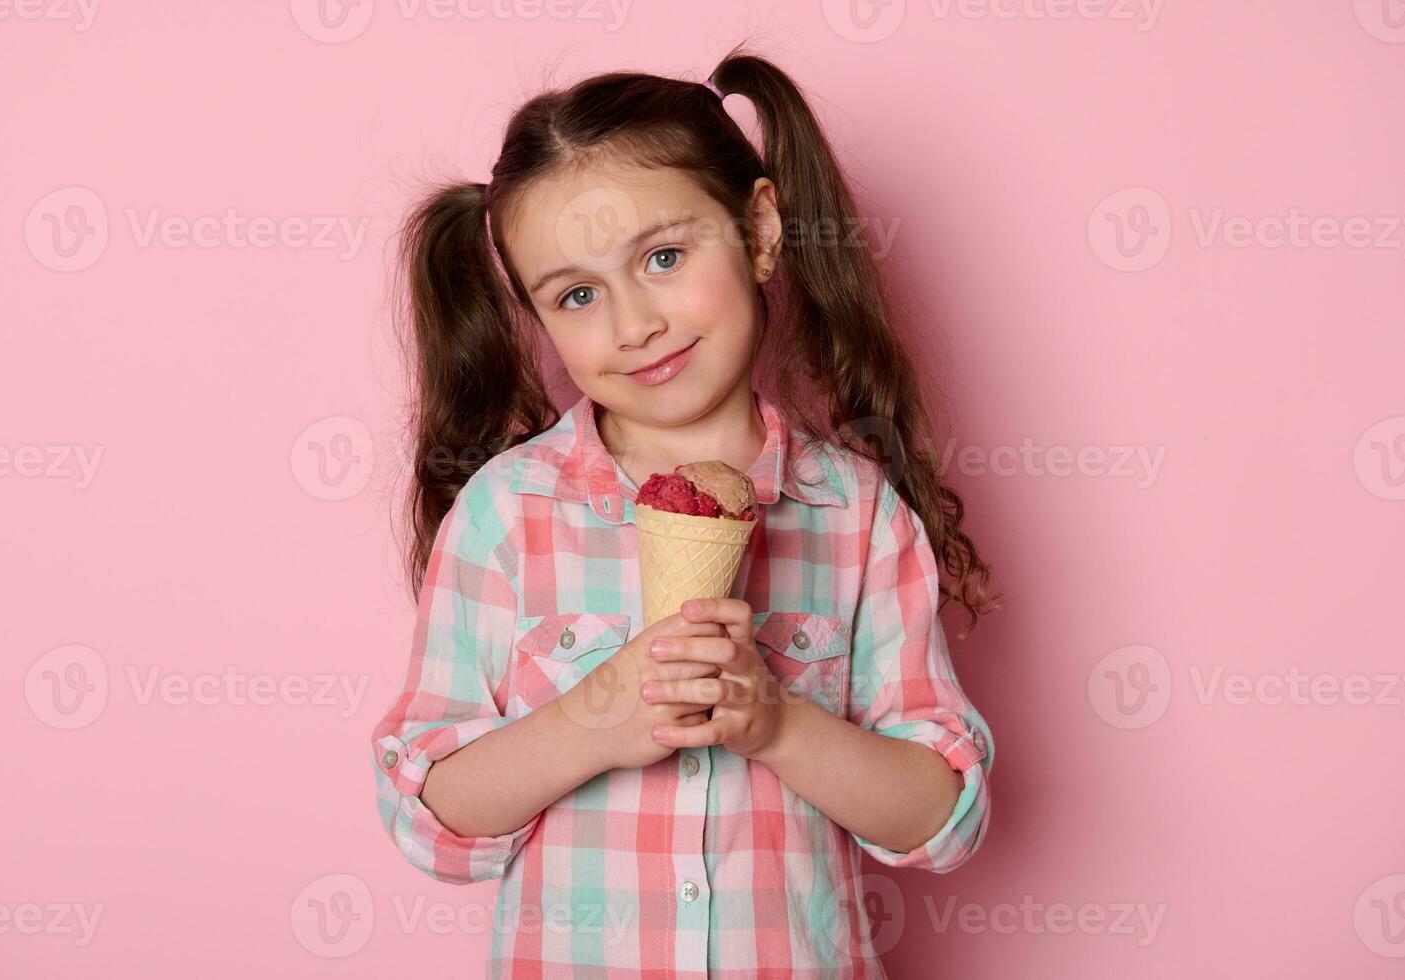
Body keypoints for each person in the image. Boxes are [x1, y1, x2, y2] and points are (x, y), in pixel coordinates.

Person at [369, 45, 1003, 978]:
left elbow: (942, 817)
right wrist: (595, 716)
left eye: (663, 257)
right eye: (578, 295)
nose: (633, 324)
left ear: (758, 229)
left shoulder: (854, 513)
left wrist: (778, 725)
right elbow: (430, 817)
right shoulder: (507, 512)